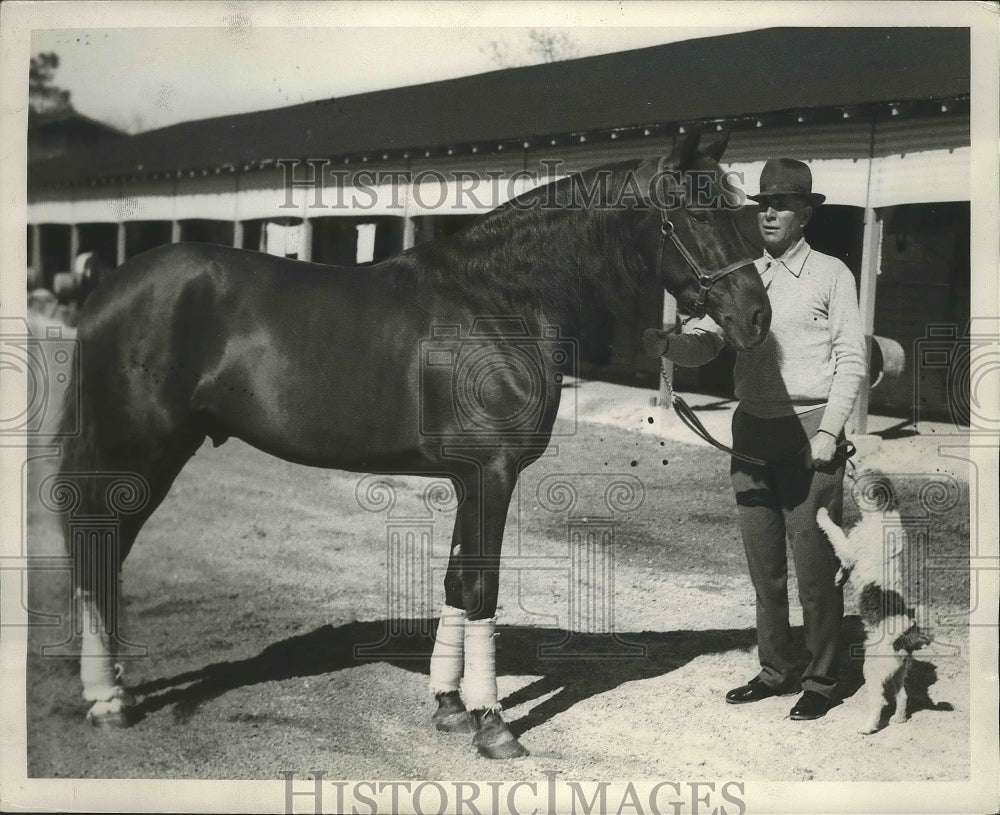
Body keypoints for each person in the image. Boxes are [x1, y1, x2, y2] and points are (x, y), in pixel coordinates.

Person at [644, 158, 867, 720]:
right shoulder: (741, 277)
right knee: (763, 566)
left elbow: (852, 361)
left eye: (783, 203)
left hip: (810, 430)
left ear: (806, 214)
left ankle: (823, 676)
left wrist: (831, 431)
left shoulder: (832, 274)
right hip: (752, 432)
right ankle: (777, 668)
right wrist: (669, 346)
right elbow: (708, 342)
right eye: (763, 202)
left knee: (815, 568)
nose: (768, 211)